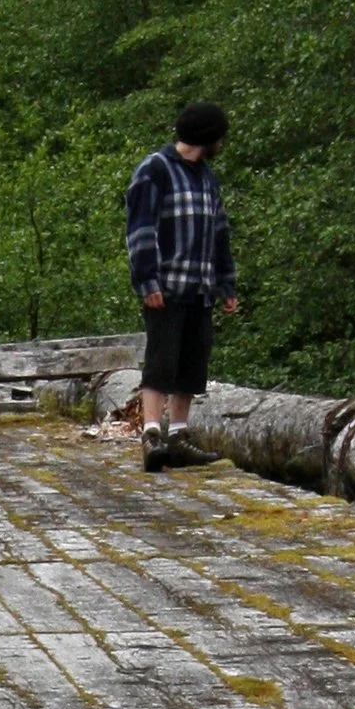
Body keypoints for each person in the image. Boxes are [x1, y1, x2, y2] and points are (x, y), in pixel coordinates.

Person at [125, 100, 240, 473]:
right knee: (161, 360)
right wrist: (146, 279)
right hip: (166, 286)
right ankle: (152, 436)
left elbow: (219, 232)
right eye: (219, 137)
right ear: (207, 137)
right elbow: (140, 229)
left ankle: (179, 435)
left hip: (200, 286)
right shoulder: (155, 170)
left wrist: (226, 283)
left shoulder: (207, 177)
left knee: (192, 363)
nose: (222, 144)